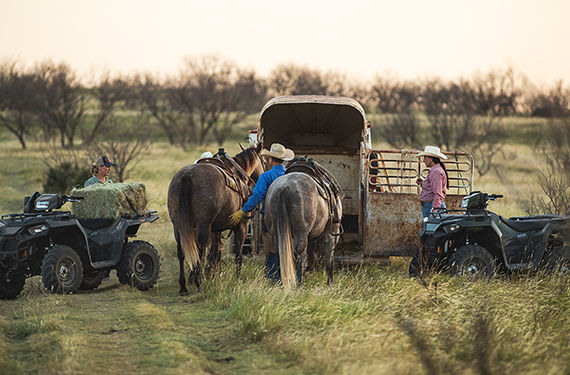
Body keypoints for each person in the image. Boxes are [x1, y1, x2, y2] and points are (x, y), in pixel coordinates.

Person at [228, 143, 295, 281]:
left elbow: (257, 196)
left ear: (271, 160)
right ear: (284, 160)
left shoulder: (266, 176)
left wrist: (243, 211)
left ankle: (273, 276)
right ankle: (292, 276)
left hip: (270, 218)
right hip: (291, 219)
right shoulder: (291, 176)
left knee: (271, 246)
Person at [416, 146, 449, 218]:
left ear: (431, 159)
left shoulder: (436, 172)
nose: (424, 160)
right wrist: (423, 183)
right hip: (431, 205)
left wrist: (434, 210)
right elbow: (434, 188)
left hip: (432, 206)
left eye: (425, 158)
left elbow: (438, 193)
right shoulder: (436, 171)